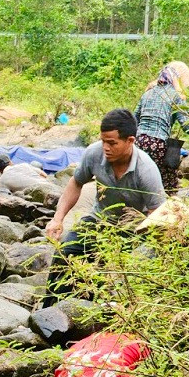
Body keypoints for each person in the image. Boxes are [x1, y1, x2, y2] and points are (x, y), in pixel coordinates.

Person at [43, 109, 167, 306]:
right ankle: (50, 312)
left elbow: (158, 215)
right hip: (99, 220)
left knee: (118, 278)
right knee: (65, 253)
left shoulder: (146, 170)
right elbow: (76, 183)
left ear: (130, 141)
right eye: (103, 141)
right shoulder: (93, 153)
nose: (106, 148)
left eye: (112, 143)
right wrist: (57, 219)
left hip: (133, 229)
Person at [134, 61, 189, 192]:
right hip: (158, 144)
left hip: (138, 142)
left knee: (142, 182)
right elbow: (187, 126)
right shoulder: (176, 96)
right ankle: (167, 208)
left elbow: (133, 119)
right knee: (169, 188)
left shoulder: (147, 93)